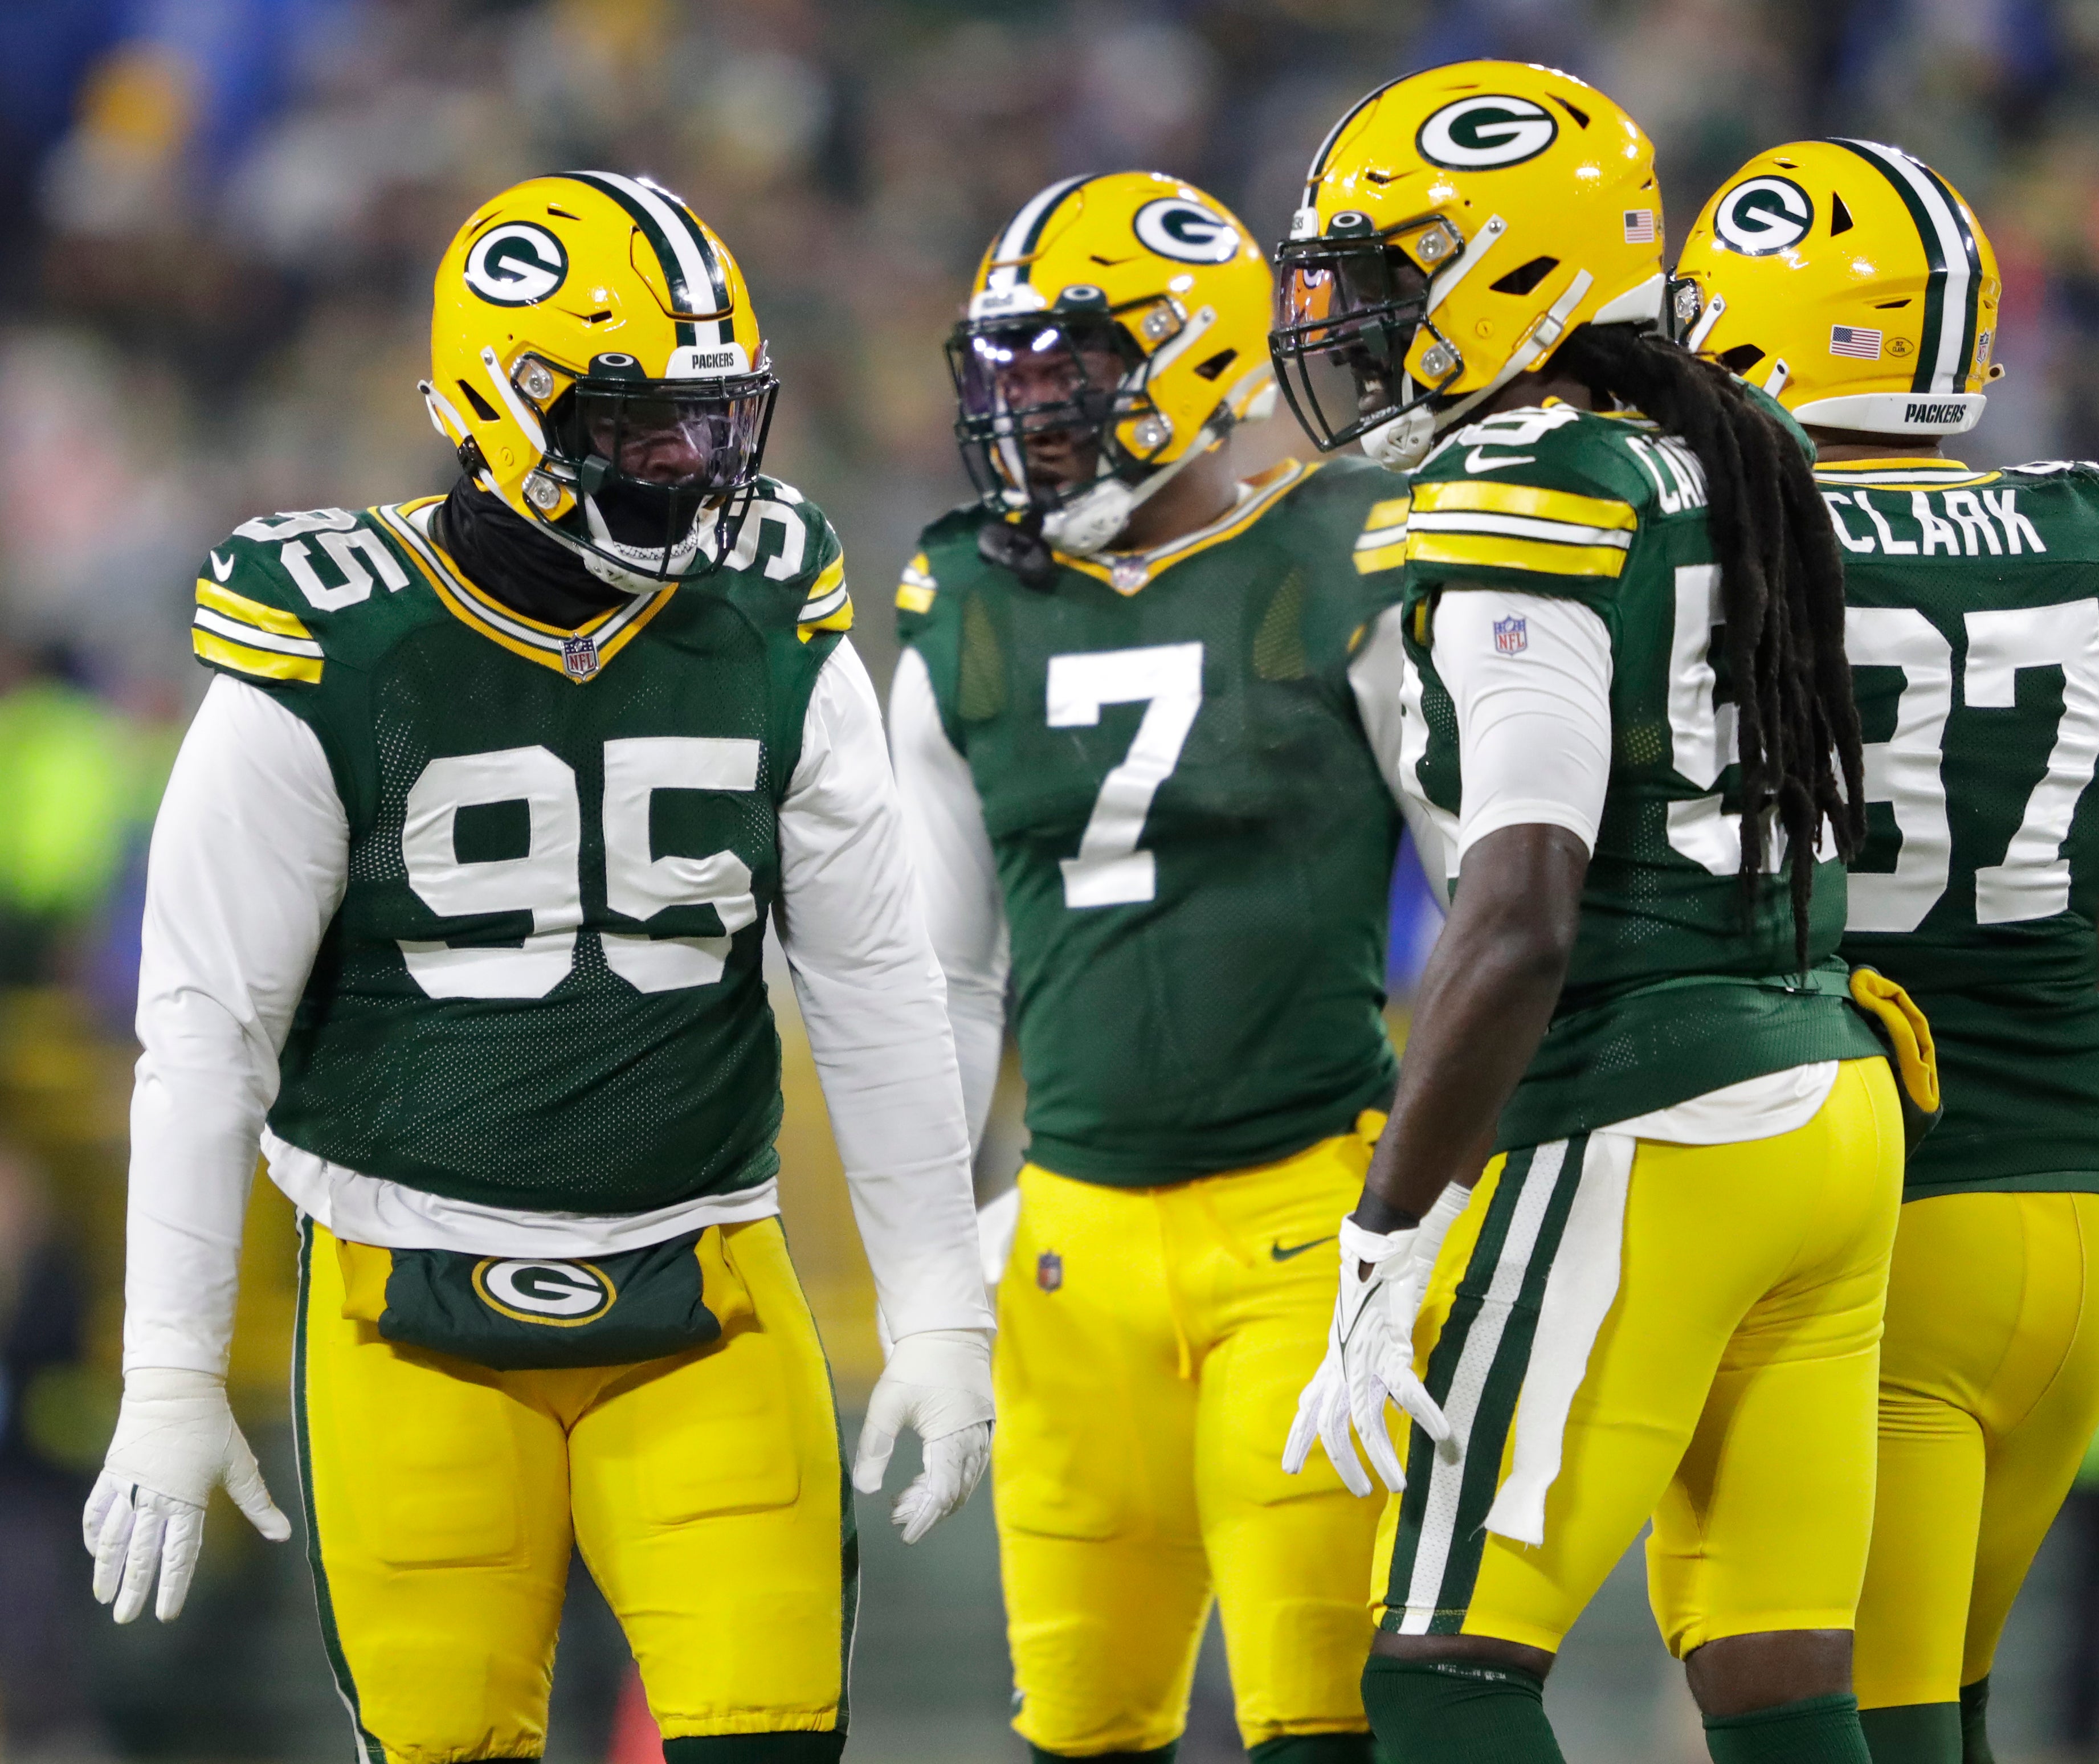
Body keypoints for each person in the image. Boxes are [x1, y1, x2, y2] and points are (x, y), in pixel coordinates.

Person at [80, 172, 995, 1764]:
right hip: (401, 1305)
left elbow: (875, 983)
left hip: (709, 1284)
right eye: (642, 428)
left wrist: (936, 1308)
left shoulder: (771, 613)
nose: (692, 469)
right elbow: (206, 1034)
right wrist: (167, 1370)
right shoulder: (333, 643)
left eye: (714, 423)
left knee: (773, 1742)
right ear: (499, 408)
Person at [1275, 60, 1920, 1764]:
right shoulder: (1726, 452)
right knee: (1780, 1684)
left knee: (1442, 1667)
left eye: (1385, 280)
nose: (1349, 327)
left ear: (1512, 269)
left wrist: (1390, 1229)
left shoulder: (1529, 483)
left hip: (1652, 1113)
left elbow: (1520, 915)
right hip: (1826, 1099)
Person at [1672, 137, 2099, 1764]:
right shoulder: (2085, 535)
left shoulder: (1723, 550)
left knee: (1868, 1722)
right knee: (1954, 1706)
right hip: (2069, 1227)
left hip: (1871, 1220)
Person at [889, 170, 1437, 1764]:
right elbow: (943, 982)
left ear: (1190, 358)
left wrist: (1441, 1199)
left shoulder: (1346, 552)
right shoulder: (961, 600)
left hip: (1312, 1219)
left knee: (1317, 1724)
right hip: (1070, 1239)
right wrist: (930, 1272)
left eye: (1068, 369)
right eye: (1008, 375)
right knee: (1078, 1730)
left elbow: (1499, 902)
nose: (1028, 413)